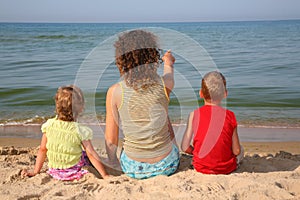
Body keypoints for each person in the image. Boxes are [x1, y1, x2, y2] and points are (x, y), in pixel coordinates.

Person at [105, 30, 180, 179]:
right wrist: (168, 61)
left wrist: (113, 161)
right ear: (152, 57)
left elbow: (111, 138)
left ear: (122, 60)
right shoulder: (165, 84)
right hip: (167, 165)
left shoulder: (114, 92)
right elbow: (169, 72)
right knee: (162, 112)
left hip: (133, 168)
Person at [22, 85, 109, 180]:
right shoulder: (80, 130)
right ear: (81, 108)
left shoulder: (49, 125)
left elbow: (43, 149)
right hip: (73, 169)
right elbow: (91, 153)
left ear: (57, 105)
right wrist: (104, 175)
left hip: (54, 169)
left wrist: (36, 171)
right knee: (86, 154)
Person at [181, 71, 243, 174]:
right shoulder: (230, 116)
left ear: (201, 93)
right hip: (225, 169)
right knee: (241, 150)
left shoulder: (194, 114)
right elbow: (236, 151)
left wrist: (196, 152)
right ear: (225, 94)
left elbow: (184, 147)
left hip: (200, 167)